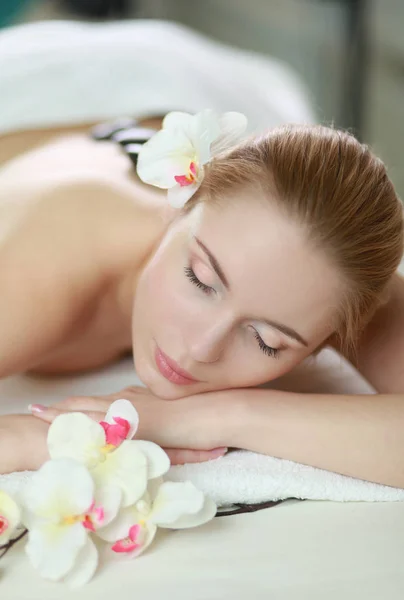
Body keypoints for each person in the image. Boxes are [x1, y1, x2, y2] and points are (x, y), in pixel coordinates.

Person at [1, 108, 404, 491]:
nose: (201, 347)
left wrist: (219, 417)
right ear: (180, 207)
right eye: (201, 280)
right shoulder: (36, 279)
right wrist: (31, 439)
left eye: (267, 341)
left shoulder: (319, 260)